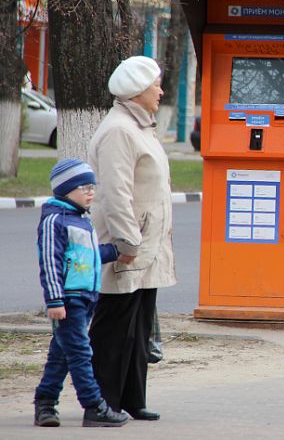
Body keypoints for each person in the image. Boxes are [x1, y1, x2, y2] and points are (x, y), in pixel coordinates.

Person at [87, 55, 176, 422]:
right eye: (156, 85)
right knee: (114, 328)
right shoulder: (119, 131)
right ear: (138, 90)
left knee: (138, 327)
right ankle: (100, 404)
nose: (161, 91)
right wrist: (126, 242)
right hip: (129, 245)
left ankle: (131, 398)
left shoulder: (140, 127)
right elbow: (115, 193)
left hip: (147, 244)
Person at [33, 159, 129, 428]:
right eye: (84, 187)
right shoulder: (55, 221)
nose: (91, 193)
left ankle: (45, 403)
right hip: (68, 299)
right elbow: (50, 262)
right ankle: (94, 406)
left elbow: (89, 255)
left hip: (86, 299)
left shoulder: (82, 221)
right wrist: (54, 300)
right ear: (66, 189)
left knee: (62, 354)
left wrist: (115, 252)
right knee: (80, 353)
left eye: (92, 187)